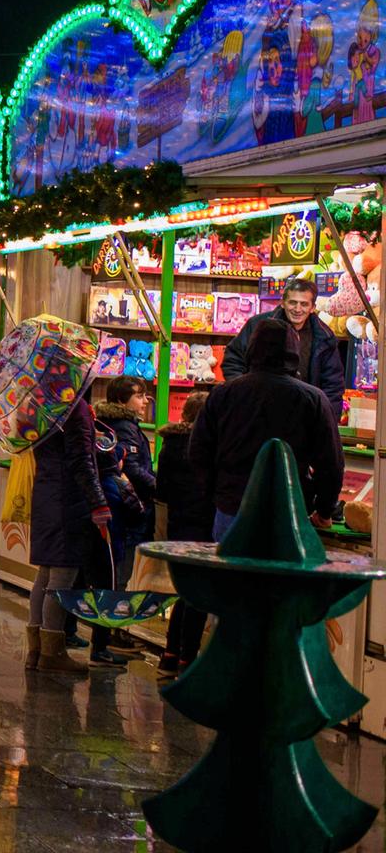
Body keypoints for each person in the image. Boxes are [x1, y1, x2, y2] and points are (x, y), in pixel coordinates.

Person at [191, 317, 344, 541]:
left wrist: (217, 494)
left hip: (232, 508)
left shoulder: (224, 394)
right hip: (289, 510)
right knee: (280, 576)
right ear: (294, 352)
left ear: (251, 349)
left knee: (232, 575)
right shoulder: (313, 398)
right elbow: (331, 464)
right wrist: (324, 510)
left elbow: (198, 451)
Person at [25, 396, 109, 673]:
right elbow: (82, 460)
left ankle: (35, 651)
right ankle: (52, 652)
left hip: (46, 493)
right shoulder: (74, 408)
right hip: (68, 499)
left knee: (45, 573)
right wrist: (98, 502)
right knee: (62, 576)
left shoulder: (39, 403)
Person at [88, 376, 156, 667]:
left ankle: (106, 633)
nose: (145, 402)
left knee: (110, 572)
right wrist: (158, 487)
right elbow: (133, 467)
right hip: (126, 507)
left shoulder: (108, 424)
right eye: (139, 396)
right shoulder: (125, 427)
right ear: (121, 400)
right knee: (118, 572)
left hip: (117, 506)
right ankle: (108, 635)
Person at [155, 390, 213, 678]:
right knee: (197, 595)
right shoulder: (207, 446)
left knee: (184, 593)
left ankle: (170, 654)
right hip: (203, 525)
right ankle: (186, 658)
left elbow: (161, 489)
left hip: (178, 525)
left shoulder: (169, 444)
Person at [220, 277, 345, 410]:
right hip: (257, 408)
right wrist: (244, 394)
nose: (297, 309)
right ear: (282, 303)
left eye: (304, 304)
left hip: (303, 413)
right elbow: (233, 360)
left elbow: (333, 384)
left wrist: (327, 419)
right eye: (292, 302)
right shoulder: (258, 326)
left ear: (313, 307)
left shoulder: (324, 336)